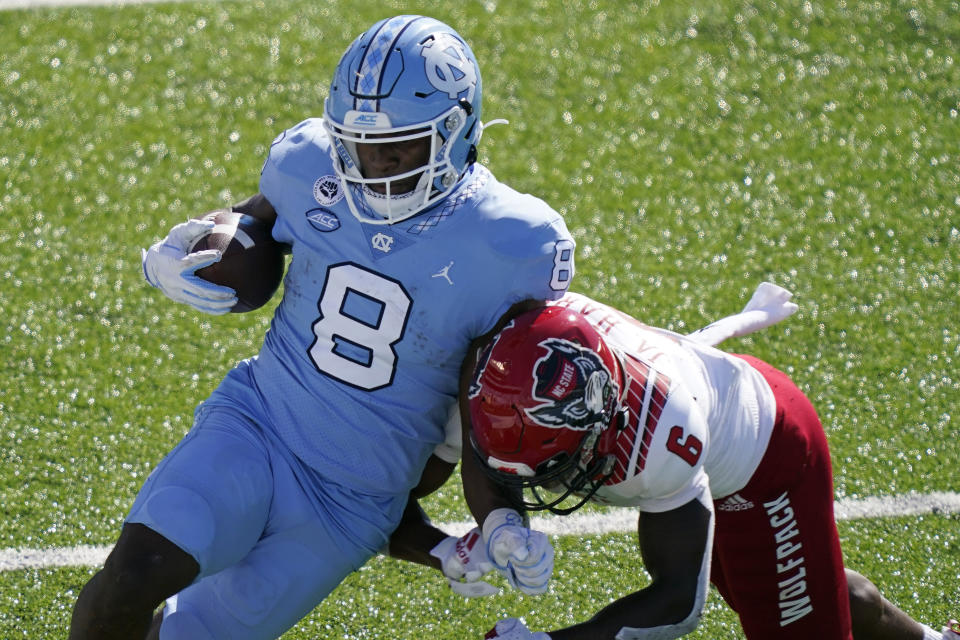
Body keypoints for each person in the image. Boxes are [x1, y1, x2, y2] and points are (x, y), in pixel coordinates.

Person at [68, 15, 570, 640]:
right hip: (259, 422)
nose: (372, 163)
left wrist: (499, 519)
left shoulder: (514, 243)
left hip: (352, 503)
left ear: (456, 132)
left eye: (400, 145)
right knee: (134, 574)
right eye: (356, 142)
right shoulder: (311, 164)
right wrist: (179, 254)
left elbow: (495, 397)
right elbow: (252, 226)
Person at [460, 292, 957, 640]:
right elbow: (483, 443)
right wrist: (500, 522)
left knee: (784, 608)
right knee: (786, 593)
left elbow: (677, 601)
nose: (538, 481)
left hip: (769, 460)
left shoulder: (659, 444)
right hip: (714, 413)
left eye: (554, 462)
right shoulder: (507, 353)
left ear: (604, 424)